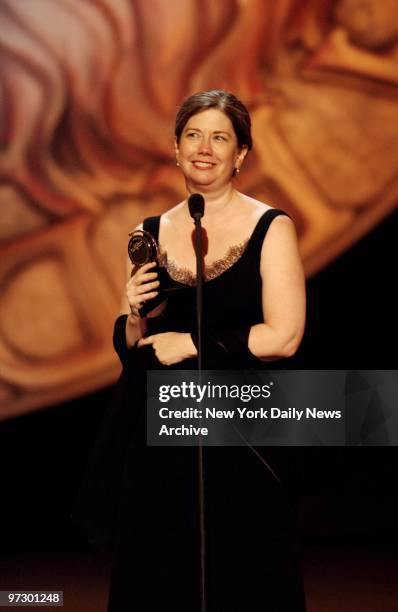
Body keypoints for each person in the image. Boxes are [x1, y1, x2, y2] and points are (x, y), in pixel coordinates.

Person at [72, 90, 307, 611]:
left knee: (241, 575)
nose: (205, 148)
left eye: (220, 137)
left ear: (241, 153)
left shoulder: (272, 228)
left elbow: (285, 336)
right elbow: (133, 346)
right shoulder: (148, 233)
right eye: (193, 135)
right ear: (175, 149)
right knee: (158, 574)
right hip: (161, 438)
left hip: (242, 433)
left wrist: (192, 344)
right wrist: (132, 316)